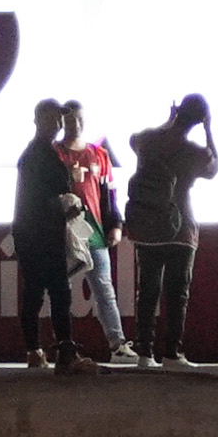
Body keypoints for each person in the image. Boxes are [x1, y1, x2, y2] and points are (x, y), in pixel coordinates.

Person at [121, 95, 214, 365]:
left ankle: (144, 352)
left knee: (147, 292)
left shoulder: (148, 140)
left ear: (178, 111)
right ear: (200, 120)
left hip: (148, 229)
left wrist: (168, 122)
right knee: (177, 294)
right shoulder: (195, 153)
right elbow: (213, 168)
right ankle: (172, 352)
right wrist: (209, 130)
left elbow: (132, 140)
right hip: (181, 229)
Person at [14, 97, 92, 369]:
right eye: (51, 118)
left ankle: (41, 350)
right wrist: (63, 206)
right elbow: (39, 197)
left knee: (45, 292)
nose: (58, 124)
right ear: (37, 120)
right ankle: (53, 350)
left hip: (39, 231)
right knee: (53, 292)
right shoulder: (38, 154)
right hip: (38, 233)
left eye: (59, 119)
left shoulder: (44, 151)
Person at [60, 100, 135, 363]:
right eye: (70, 120)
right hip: (65, 235)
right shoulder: (55, 153)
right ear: (62, 122)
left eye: (79, 119)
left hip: (94, 233)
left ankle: (118, 345)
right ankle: (64, 347)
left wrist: (115, 224)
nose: (76, 125)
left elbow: (109, 194)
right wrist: (68, 178)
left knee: (104, 289)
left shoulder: (98, 154)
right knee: (62, 292)